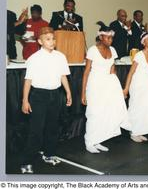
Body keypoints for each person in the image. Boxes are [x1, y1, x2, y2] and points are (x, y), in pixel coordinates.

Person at [20, 27, 72, 174]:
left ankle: (49, 154)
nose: (52, 41)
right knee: (36, 130)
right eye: (48, 39)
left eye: (53, 38)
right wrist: (25, 100)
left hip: (55, 95)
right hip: (39, 97)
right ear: (40, 41)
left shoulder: (60, 56)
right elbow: (28, 81)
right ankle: (26, 162)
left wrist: (68, 92)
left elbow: (63, 76)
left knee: (52, 128)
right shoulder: (34, 58)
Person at [81, 21, 131, 153]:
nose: (110, 40)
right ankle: (89, 141)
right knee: (95, 113)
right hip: (95, 84)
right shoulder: (92, 50)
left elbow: (112, 70)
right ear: (101, 37)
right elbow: (86, 72)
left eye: (112, 37)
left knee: (106, 112)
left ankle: (98, 139)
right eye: (108, 37)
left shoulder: (113, 50)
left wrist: (117, 89)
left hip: (108, 85)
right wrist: (83, 93)